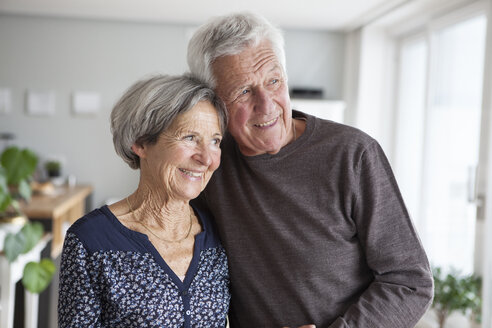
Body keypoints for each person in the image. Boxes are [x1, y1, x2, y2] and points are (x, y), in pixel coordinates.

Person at [188, 12, 434, 327]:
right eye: (244, 91)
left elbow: (410, 281)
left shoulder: (353, 155)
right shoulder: (210, 165)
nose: (267, 105)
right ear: (213, 102)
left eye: (273, 81)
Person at [58, 74, 230, 327]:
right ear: (140, 143)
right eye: (190, 137)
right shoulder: (90, 241)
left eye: (215, 141)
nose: (207, 159)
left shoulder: (217, 233)